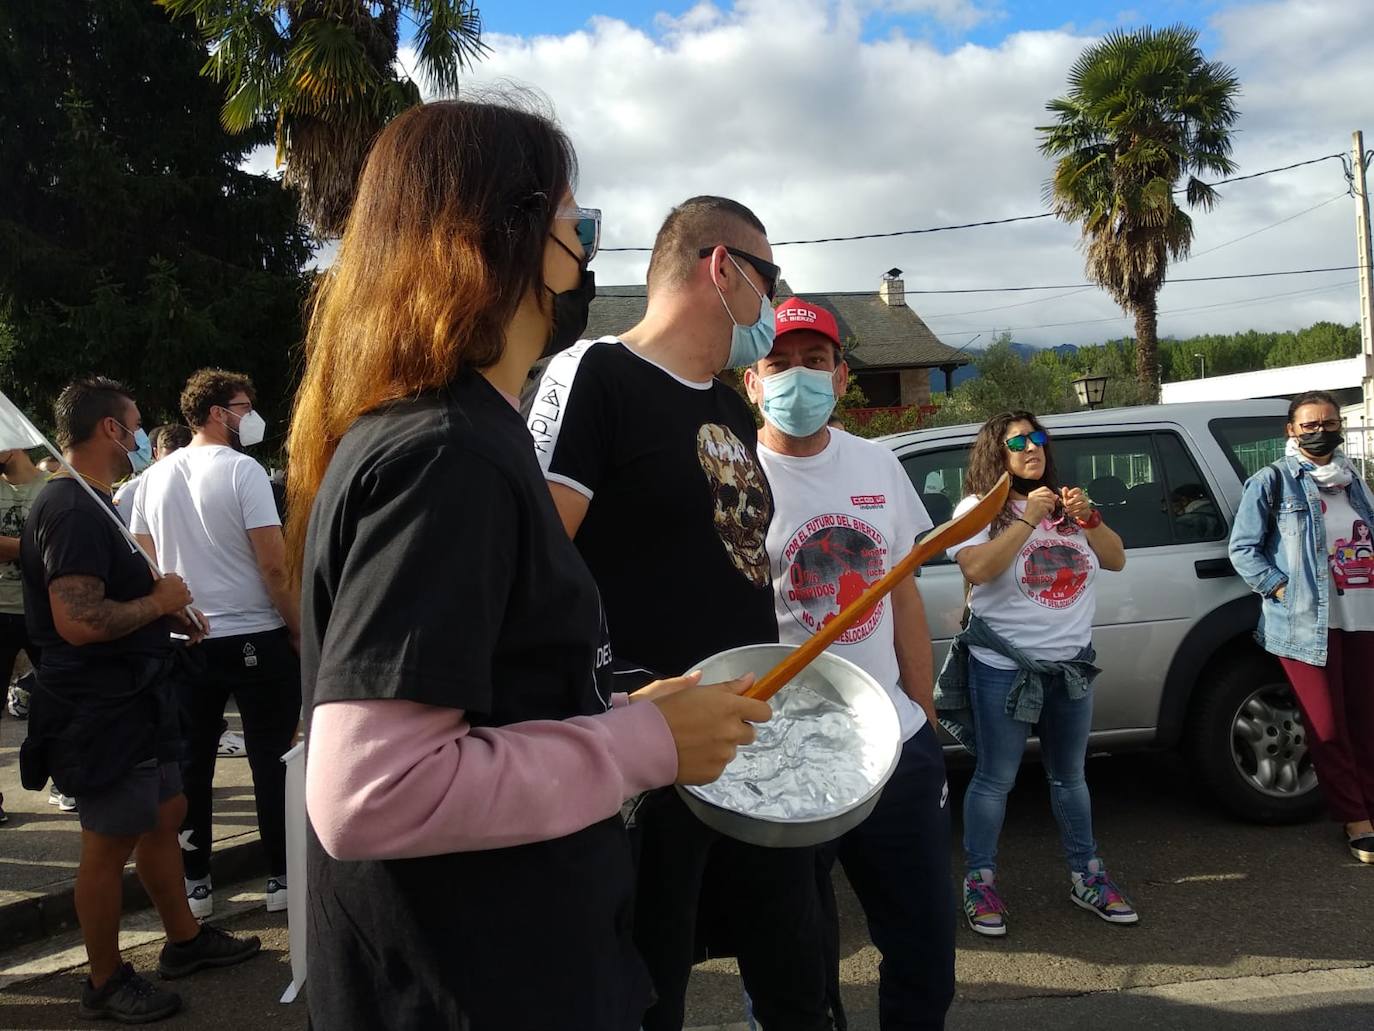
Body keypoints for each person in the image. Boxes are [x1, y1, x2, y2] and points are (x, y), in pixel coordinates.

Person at [288, 99, 769, 1031]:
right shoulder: (446, 453)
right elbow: (371, 793)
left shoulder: (454, 433)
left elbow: (491, 694)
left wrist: (627, 709)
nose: (585, 258)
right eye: (575, 226)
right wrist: (644, 747)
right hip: (480, 983)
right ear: (499, 239)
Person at [528, 196, 832, 1031]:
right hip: (652, 754)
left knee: (798, 974)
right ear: (721, 268)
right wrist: (621, 701)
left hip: (756, 741)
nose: (773, 305)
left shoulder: (734, 408)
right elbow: (531, 564)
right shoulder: (596, 375)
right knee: (650, 988)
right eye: (769, 281)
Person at [19, 376, 259, 1023]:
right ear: (109, 430)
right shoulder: (70, 507)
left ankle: (183, 940)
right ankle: (103, 978)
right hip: (99, 706)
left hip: (136, 692)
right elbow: (77, 620)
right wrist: (162, 602)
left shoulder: (97, 503)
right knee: (110, 837)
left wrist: (167, 619)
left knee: (165, 808)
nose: (138, 431)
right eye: (132, 420)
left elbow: (112, 598)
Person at [744, 298, 955, 1030]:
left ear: (840, 378)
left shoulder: (878, 464)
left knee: (925, 946)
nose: (796, 378)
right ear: (752, 379)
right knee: (790, 966)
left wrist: (922, 716)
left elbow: (905, 600)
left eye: (814, 362)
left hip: (891, 745)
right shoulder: (729, 475)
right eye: (779, 363)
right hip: (783, 760)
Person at [935, 410, 1137, 936]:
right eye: (1018, 441)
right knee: (995, 778)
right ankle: (979, 881)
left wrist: (1089, 518)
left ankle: (1087, 875)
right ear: (996, 454)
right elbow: (977, 568)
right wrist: (1026, 518)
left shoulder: (1069, 508)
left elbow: (1115, 560)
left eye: (1038, 438)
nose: (1032, 448)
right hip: (1004, 667)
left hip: (1070, 668)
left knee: (1070, 777)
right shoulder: (979, 508)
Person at [130, 369, 300, 919]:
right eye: (242, 406)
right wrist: (297, 628)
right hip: (255, 632)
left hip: (189, 637)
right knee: (272, 758)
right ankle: (281, 876)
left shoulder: (152, 480)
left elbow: (146, 563)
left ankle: (197, 883)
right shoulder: (243, 471)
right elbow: (273, 565)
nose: (250, 416)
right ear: (213, 413)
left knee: (192, 764)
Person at [1229, 391, 1374, 863]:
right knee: (1328, 728)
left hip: (1363, 618)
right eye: (1309, 425)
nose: (1320, 431)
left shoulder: (1355, 483)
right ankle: (1355, 818)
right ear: (1291, 431)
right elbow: (1244, 549)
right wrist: (1282, 592)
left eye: (1328, 423)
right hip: (1306, 625)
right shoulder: (1272, 482)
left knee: (1366, 722)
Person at [0, 445, 46, 824]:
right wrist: (40, 547)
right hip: (1, 611)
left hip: (44, 611)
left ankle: (67, 782)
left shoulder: (53, 487)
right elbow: (53, 545)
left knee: (64, 700)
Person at [114, 425, 192, 522]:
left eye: (182, 461)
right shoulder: (130, 493)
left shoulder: (203, 488)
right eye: (168, 461)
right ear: (156, 453)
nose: (175, 468)